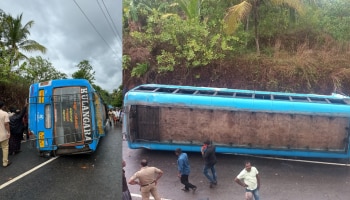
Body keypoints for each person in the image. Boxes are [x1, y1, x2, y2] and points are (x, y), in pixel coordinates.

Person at [0, 101, 11, 167]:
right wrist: (9, 132)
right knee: (5, 148)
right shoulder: (4, 113)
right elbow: (6, 124)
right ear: (2, 106)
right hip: (3, 134)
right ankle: (5, 162)